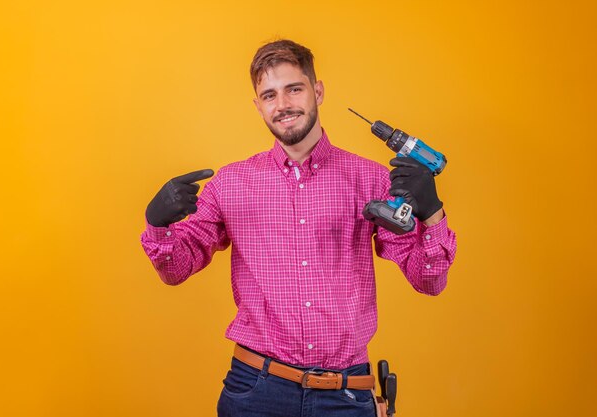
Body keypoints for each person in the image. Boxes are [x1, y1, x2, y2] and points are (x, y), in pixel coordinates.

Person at [141, 39, 457, 417]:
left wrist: (433, 212)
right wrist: (157, 223)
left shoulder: (371, 180)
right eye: (269, 95)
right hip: (255, 391)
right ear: (257, 106)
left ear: (317, 91)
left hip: (346, 394)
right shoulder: (230, 184)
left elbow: (430, 280)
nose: (283, 104)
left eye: (294, 88)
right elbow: (175, 270)